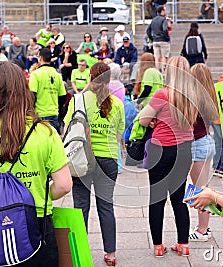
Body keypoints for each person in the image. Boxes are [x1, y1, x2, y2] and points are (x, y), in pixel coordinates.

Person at [0, 61, 72, 267]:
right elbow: (64, 185)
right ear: (24, 91)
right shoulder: (45, 133)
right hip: (37, 223)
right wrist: (39, 195)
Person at [64, 62, 125, 267]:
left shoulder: (78, 100)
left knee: (80, 207)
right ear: (109, 80)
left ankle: (79, 252)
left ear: (90, 77)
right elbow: (118, 137)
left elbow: (67, 130)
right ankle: (110, 253)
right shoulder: (116, 103)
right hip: (108, 161)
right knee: (106, 207)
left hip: (82, 160)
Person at [139, 56, 197, 257]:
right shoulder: (193, 96)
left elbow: (143, 120)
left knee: (157, 199)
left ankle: (157, 246)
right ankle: (183, 244)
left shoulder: (162, 95)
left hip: (161, 149)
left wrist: (155, 121)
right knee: (179, 198)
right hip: (184, 150)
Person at [188, 63, 219, 242]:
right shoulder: (210, 95)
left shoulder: (194, 97)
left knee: (199, 190)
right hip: (207, 141)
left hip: (197, 144)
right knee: (203, 187)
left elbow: (189, 123)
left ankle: (202, 229)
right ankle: (204, 227)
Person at [29, 48, 67, 133]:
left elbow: (32, 96)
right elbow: (63, 97)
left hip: (40, 115)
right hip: (54, 114)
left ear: (40, 58)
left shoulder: (35, 74)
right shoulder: (57, 75)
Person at [147, 6, 170, 71]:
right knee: (164, 57)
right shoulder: (163, 19)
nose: (166, 11)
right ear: (162, 11)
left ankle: (157, 71)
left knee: (157, 57)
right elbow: (165, 29)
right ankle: (164, 71)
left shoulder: (153, 20)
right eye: (165, 10)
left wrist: (152, 38)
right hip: (163, 40)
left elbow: (148, 30)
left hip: (155, 41)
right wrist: (167, 38)